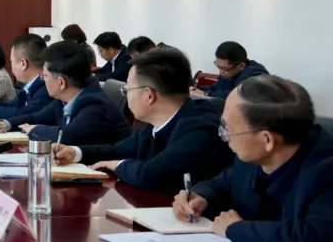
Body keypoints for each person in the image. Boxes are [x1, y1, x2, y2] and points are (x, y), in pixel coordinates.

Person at [173, 76, 333, 242]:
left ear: (267, 140)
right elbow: (224, 182)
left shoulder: (326, 170)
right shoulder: (254, 157)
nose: (224, 136)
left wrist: (236, 229)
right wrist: (200, 196)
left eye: (227, 128)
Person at [53, 48, 233, 193]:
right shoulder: (157, 125)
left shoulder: (200, 128)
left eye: (127, 90)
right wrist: (75, 152)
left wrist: (117, 165)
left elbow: (153, 174)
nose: (126, 96)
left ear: (149, 95)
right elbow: (118, 149)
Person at [0, 41, 131, 145]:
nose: (42, 80)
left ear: (61, 82)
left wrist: (35, 130)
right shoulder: (64, 99)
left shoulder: (95, 104)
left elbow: (69, 136)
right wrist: (6, 123)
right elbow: (36, 117)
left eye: (45, 76)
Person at [205, 41, 269, 100]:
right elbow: (216, 87)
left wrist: (207, 94)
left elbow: (239, 97)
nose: (221, 71)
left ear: (241, 66)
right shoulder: (228, 73)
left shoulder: (256, 75)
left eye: (224, 68)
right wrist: (201, 89)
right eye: (218, 66)